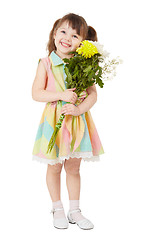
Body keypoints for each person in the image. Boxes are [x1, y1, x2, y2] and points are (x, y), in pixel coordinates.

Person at [32, 13, 104, 230]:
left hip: (76, 122)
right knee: (54, 167)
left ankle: (75, 210)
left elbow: (92, 94)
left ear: (83, 43)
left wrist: (79, 108)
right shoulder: (46, 63)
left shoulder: (85, 64)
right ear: (55, 34)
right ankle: (57, 208)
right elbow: (36, 93)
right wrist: (61, 96)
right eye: (63, 31)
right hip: (54, 121)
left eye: (75, 36)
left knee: (73, 168)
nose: (67, 38)